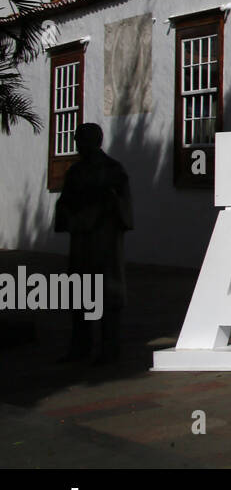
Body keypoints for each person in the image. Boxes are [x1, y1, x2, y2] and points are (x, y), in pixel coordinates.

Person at [53, 123, 132, 364]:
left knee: (107, 297)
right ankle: (81, 346)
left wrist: (95, 214)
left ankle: (109, 349)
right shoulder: (76, 172)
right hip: (83, 242)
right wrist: (74, 217)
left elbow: (122, 207)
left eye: (80, 140)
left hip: (104, 243)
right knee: (80, 295)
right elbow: (64, 202)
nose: (77, 145)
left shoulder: (112, 170)